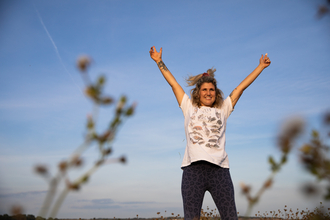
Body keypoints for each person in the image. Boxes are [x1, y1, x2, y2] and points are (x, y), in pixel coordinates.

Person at [149, 46, 271, 220]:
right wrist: (159, 62)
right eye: (204, 90)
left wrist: (260, 67)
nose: (208, 93)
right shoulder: (188, 106)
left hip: (219, 171)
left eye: (211, 90)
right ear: (198, 93)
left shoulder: (223, 108)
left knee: (231, 217)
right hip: (193, 171)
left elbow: (240, 88)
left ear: (216, 93)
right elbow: (173, 84)